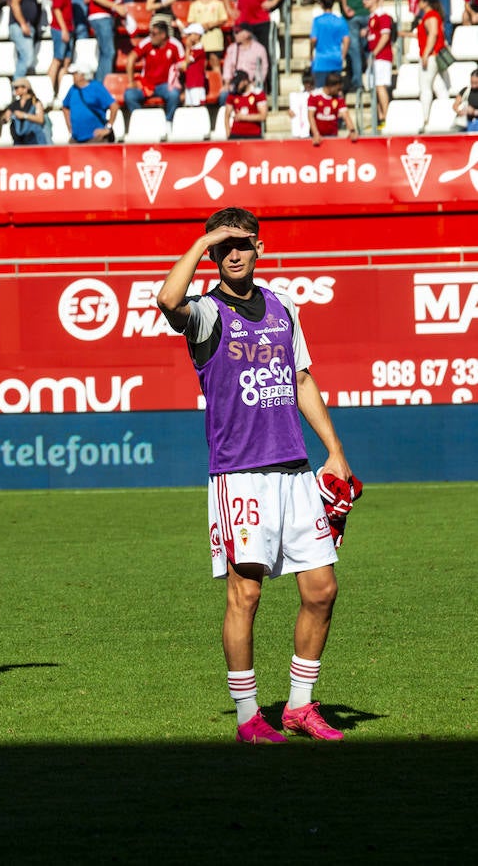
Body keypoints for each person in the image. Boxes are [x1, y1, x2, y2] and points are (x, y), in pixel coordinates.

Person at [155, 207, 353, 744]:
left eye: (242, 242)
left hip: (294, 470)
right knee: (247, 595)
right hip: (240, 475)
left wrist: (333, 451)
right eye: (224, 247)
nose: (234, 253)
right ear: (214, 254)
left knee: (322, 589)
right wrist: (203, 242)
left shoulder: (284, 306)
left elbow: (302, 379)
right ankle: (248, 718)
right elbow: (167, 301)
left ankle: (298, 707)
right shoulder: (207, 313)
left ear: (259, 247)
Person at [225, 0, 285, 90]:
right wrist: (229, 9)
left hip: (261, 20)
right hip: (244, 22)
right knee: (241, 53)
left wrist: (273, 2)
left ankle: (269, 88)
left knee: (266, 54)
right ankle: (241, 86)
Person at [336, 0, 385, 91]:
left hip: (353, 15)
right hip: (369, 15)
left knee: (355, 50)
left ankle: (358, 82)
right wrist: (378, 5)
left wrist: (345, 6)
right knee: (370, 46)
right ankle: (372, 80)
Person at [124, 20, 182, 120]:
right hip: (146, 84)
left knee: (174, 95)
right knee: (129, 95)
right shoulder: (147, 42)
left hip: (166, 85)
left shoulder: (175, 45)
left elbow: (183, 65)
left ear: (163, 35)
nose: (151, 36)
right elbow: (131, 58)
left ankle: (168, 122)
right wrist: (131, 81)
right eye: (150, 33)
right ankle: (141, 121)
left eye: (154, 34)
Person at [87, 0, 126, 83]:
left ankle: (102, 82)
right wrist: (115, 6)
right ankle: (102, 83)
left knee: (106, 52)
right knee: (108, 52)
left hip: (105, 15)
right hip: (99, 16)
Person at [418, 0, 451, 121]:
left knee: (425, 88)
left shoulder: (430, 16)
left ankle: (425, 118)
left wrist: (426, 54)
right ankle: (447, 116)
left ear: (426, 2)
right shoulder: (434, 16)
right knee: (440, 88)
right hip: (434, 56)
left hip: (431, 56)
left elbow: (433, 34)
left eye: (421, 0)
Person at [63, 64, 119, 142]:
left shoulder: (97, 87)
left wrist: (108, 128)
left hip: (95, 138)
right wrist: (69, 126)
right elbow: (65, 107)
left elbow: (114, 106)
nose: (73, 76)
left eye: (75, 74)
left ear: (83, 75)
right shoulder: (73, 89)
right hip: (76, 138)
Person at [362, 0, 393, 126]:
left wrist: (375, 52)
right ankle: (379, 118)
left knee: (380, 86)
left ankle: (386, 117)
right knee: (374, 86)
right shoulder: (372, 16)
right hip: (375, 57)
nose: (364, 1)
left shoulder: (382, 15)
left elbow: (386, 36)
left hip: (382, 56)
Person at [7, 0, 42, 82]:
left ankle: (19, 84)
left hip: (27, 25)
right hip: (20, 25)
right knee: (27, 57)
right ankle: (17, 85)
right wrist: (22, 23)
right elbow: (15, 3)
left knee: (26, 57)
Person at [49, 0, 80, 89]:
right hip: (61, 29)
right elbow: (57, 9)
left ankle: (61, 89)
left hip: (67, 28)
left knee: (66, 62)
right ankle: (49, 89)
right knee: (57, 59)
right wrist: (64, 29)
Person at [309, 0, 350, 87]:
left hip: (321, 61)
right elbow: (346, 40)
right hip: (335, 59)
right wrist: (342, 56)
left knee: (320, 91)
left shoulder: (317, 21)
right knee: (335, 90)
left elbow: (313, 39)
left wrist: (311, 53)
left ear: (321, 4)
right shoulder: (340, 21)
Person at [220, 23, 269, 101]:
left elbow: (264, 68)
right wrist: (226, 83)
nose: (235, 35)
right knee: (224, 95)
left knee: (254, 96)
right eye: (234, 32)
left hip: (251, 83)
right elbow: (227, 68)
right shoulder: (232, 49)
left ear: (247, 33)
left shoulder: (259, 49)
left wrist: (257, 82)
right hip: (235, 83)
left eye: (237, 32)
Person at [308, 72, 357, 144]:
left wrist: (352, 131)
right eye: (338, 89)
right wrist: (316, 133)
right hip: (316, 137)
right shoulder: (315, 95)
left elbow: (346, 115)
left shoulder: (339, 98)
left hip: (332, 137)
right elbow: (310, 116)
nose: (340, 91)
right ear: (331, 86)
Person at [3, 77, 49, 144]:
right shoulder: (14, 104)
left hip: (33, 140)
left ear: (25, 89)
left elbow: (40, 119)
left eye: (17, 88)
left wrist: (24, 115)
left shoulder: (35, 102)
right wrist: (6, 117)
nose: (15, 90)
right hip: (18, 140)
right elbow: (3, 119)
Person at [225, 68, 268, 138]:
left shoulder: (258, 93)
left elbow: (263, 116)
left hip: (253, 134)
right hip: (235, 134)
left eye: (238, 83)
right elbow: (227, 115)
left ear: (245, 81)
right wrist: (228, 134)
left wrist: (244, 117)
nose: (236, 85)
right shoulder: (232, 95)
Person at [181, 24, 208, 107]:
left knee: (197, 106)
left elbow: (188, 60)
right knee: (189, 106)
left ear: (197, 35)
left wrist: (187, 47)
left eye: (189, 35)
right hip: (190, 82)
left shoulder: (199, 49)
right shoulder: (193, 49)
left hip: (197, 83)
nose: (188, 37)